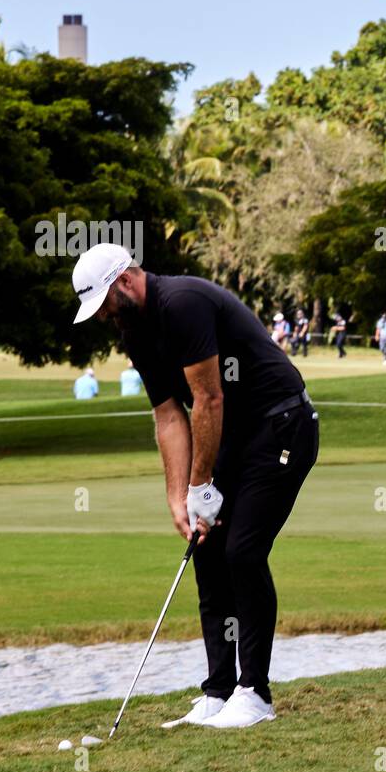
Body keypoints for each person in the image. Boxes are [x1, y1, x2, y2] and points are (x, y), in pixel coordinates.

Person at [70, 243, 318, 729]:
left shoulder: (182, 303)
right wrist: (180, 496)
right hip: (237, 439)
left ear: (124, 281)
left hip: (282, 425)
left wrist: (203, 482)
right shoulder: (133, 332)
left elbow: (208, 398)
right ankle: (219, 690)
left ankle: (255, 694)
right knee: (206, 547)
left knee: (242, 552)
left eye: (103, 304)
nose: (102, 317)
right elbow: (168, 415)